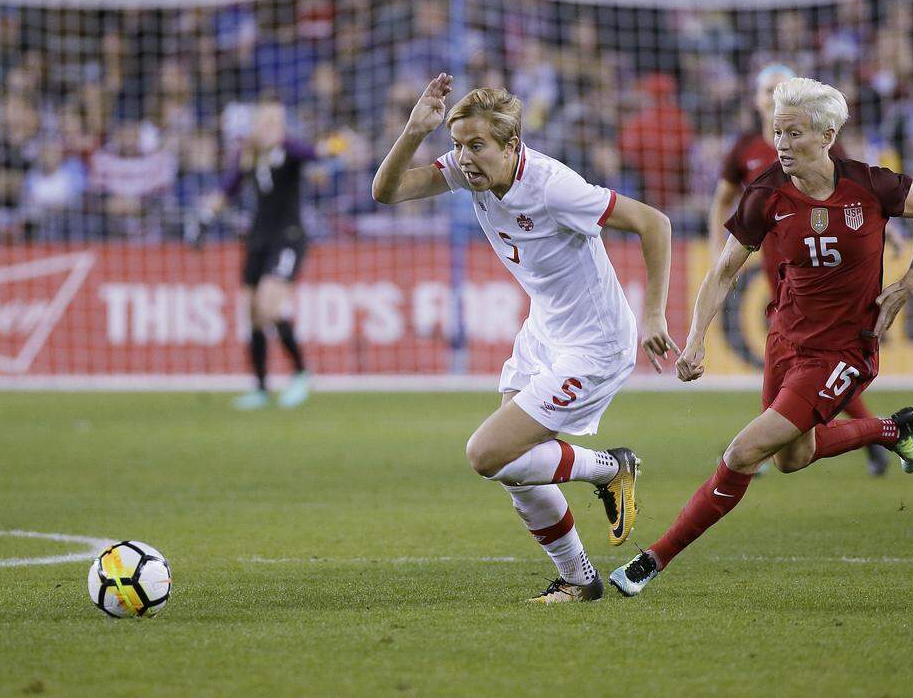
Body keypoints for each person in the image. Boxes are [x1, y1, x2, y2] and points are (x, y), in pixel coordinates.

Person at [611, 77, 913, 597]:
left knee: (744, 452)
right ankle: (888, 431)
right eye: (777, 133)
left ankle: (652, 560)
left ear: (827, 135)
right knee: (791, 458)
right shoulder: (766, 193)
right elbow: (724, 270)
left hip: (843, 350)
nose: (782, 145)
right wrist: (696, 338)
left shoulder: (871, 185)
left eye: (793, 134)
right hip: (785, 341)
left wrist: (909, 283)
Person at [373, 74, 678, 603]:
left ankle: (609, 467)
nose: (464, 158)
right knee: (516, 467)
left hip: (595, 343)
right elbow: (387, 191)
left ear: (512, 146)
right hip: (545, 330)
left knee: (487, 453)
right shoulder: (467, 174)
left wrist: (653, 315)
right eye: (458, 145)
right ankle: (579, 580)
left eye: (477, 146)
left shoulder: (553, 187)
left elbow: (654, 223)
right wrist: (413, 132)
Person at [711, 64, 895, 476]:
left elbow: (859, 197)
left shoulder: (816, 145)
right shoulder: (744, 150)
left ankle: (760, 445)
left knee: (817, 359)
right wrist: (718, 253)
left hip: (815, 271)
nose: (772, 95)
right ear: (759, 99)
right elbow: (721, 199)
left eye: (779, 88)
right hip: (772, 265)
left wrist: (890, 237)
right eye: (766, 90)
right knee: (802, 360)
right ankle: (775, 441)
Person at [197, 98, 339, 410]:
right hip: (258, 240)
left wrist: (338, 145)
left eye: (276, 122)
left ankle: (301, 373)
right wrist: (204, 219)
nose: (271, 128)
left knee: (269, 306)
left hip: (288, 238)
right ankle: (261, 388)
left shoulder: (289, 150)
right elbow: (226, 190)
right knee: (252, 315)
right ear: (255, 128)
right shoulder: (248, 157)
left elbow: (318, 153)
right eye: (265, 123)